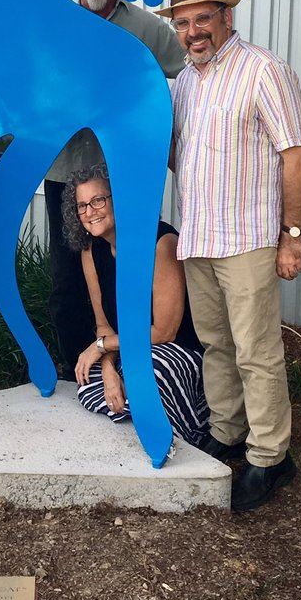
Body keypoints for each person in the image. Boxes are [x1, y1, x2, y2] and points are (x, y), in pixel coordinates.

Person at [161, 0, 301, 513]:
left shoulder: (263, 71)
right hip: (200, 236)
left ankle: (271, 457)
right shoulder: (184, 82)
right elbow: (180, 152)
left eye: (203, 18)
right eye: (183, 23)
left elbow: (297, 155)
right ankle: (227, 432)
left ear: (227, 16)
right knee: (216, 344)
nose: (193, 31)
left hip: (248, 238)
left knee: (257, 351)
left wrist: (291, 236)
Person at [45, 0, 186, 373]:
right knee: (69, 277)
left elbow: (190, 78)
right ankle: (75, 373)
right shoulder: (56, 24)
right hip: (66, 174)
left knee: (128, 272)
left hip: (127, 174)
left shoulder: (147, 28)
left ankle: (131, 365)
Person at [64, 164, 209, 445]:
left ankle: (174, 434)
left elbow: (164, 332)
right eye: (82, 206)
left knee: (148, 375)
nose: (90, 212)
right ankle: (132, 421)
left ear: (120, 198)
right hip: (126, 347)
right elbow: (103, 325)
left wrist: (101, 347)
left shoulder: (161, 243)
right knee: (87, 375)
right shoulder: (91, 251)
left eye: (98, 200)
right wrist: (107, 369)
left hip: (176, 349)